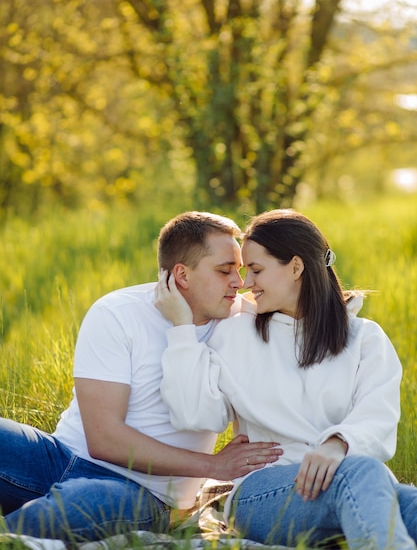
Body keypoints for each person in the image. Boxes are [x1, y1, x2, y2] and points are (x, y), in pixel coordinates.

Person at [0, 211, 280, 543]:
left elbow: (310, 312)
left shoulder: (243, 321)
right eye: (224, 271)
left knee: (68, 510)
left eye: (241, 270)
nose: (239, 282)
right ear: (182, 275)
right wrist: (213, 466)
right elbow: (104, 439)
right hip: (61, 456)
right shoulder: (117, 312)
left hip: (145, 493)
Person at [157, 208, 417, 549]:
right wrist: (182, 330)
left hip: (348, 478)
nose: (246, 283)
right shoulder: (236, 334)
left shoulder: (364, 338)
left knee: (408, 502)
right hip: (262, 495)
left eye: (256, 270)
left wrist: (336, 445)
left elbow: (377, 416)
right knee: (363, 474)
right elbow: (193, 414)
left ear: (296, 267)